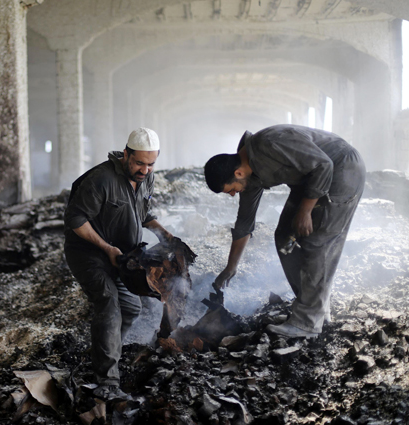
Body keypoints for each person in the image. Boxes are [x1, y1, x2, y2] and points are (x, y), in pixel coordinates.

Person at [204, 124, 366, 339]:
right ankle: (312, 308)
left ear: (238, 172)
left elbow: (323, 165)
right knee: (284, 236)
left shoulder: (270, 143)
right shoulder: (248, 175)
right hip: (312, 179)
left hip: (341, 169)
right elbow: (244, 223)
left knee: (316, 241)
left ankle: (307, 323)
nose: (234, 194)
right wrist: (230, 267)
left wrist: (306, 211)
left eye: (232, 190)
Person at [64, 127, 173, 400]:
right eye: (139, 163)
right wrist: (106, 247)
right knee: (109, 303)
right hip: (89, 253)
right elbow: (76, 220)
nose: (145, 170)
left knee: (130, 307)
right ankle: (107, 382)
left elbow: (144, 212)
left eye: (151, 164)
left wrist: (164, 234)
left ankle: (104, 354)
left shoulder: (147, 177)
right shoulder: (100, 179)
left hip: (123, 256)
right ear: (125, 154)